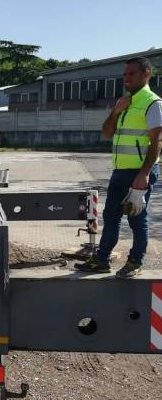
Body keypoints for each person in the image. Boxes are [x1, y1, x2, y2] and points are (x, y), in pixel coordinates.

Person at [76, 57, 162, 278]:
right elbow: (107, 132)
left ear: (146, 74)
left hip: (140, 173)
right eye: (125, 74)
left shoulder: (153, 103)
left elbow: (157, 143)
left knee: (137, 219)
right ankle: (102, 260)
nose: (126, 78)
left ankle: (135, 262)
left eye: (131, 74)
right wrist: (115, 111)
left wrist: (143, 174)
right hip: (120, 171)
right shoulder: (125, 103)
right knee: (111, 216)